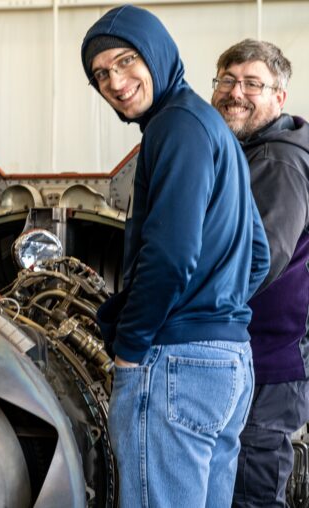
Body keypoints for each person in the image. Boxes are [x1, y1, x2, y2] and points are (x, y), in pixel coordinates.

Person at [83, 5, 270, 506]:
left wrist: (131, 347)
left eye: (126, 61)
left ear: (157, 52)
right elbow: (258, 255)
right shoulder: (210, 126)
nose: (116, 81)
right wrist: (215, 313)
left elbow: (168, 256)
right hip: (229, 363)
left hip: (175, 366)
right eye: (101, 74)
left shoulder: (173, 126)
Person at [210, 39, 309, 507]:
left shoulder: (276, 159)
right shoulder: (250, 153)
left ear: (278, 98)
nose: (236, 92)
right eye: (227, 80)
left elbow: (261, 259)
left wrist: (188, 310)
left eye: (253, 83)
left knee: (251, 493)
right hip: (261, 356)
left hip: (269, 360)